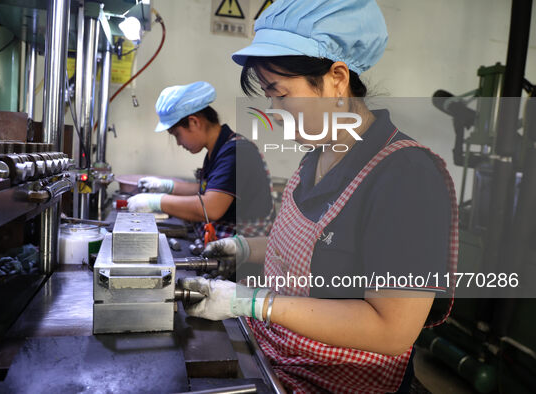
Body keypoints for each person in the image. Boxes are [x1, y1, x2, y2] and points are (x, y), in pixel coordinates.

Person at [180, 1, 458, 393]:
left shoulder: (405, 176)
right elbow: (311, 251)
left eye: (280, 94)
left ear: (337, 79)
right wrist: (243, 248)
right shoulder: (318, 154)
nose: (274, 110)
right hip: (278, 355)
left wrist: (255, 302)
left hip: (335, 381)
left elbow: (393, 328)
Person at [127, 81, 275, 239]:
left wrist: (156, 202)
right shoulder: (219, 149)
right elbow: (209, 189)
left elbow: (211, 207)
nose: (178, 143)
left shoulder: (237, 152)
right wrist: (168, 187)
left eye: (177, 134)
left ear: (194, 122)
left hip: (244, 249)